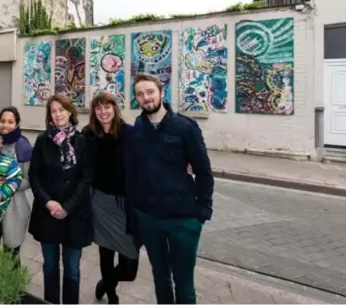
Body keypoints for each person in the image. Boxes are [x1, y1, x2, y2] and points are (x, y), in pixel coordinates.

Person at [123, 74, 214, 304]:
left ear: (161, 92)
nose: (146, 98)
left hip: (183, 219)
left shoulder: (185, 127)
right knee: (160, 278)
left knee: (184, 285)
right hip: (149, 218)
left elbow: (203, 171)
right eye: (140, 94)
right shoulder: (139, 127)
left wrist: (202, 212)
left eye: (150, 92)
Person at [28, 94, 93, 304]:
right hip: (47, 213)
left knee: (72, 269)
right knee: (50, 265)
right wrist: (48, 202)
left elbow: (87, 179)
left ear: (70, 112)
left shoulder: (83, 141)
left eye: (61, 110)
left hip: (74, 215)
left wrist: (68, 206)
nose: (58, 115)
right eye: (53, 111)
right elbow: (34, 176)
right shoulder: (42, 140)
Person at [82, 92, 139, 304]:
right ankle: (112, 296)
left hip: (126, 203)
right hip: (101, 201)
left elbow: (151, 155)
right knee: (105, 253)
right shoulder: (88, 134)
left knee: (130, 267)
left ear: (114, 109)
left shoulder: (129, 133)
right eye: (98, 108)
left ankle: (106, 283)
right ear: (94, 112)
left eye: (107, 107)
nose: (103, 112)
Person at [0, 106, 33, 262]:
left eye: (10, 122)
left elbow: (29, 179)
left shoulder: (23, 146)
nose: (5, 125)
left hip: (14, 207)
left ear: (17, 124)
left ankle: (11, 285)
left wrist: (10, 184)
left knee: (11, 254)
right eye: (3, 121)